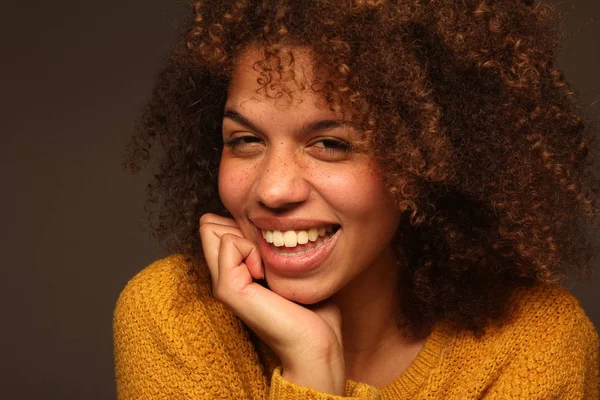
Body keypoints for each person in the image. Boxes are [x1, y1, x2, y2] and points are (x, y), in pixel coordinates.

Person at [114, 0, 600, 398]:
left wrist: (318, 366)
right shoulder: (176, 312)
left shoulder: (533, 343)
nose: (273, 189)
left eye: (332, 144)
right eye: (245, 140)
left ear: (430, 161)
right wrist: (311, 362)